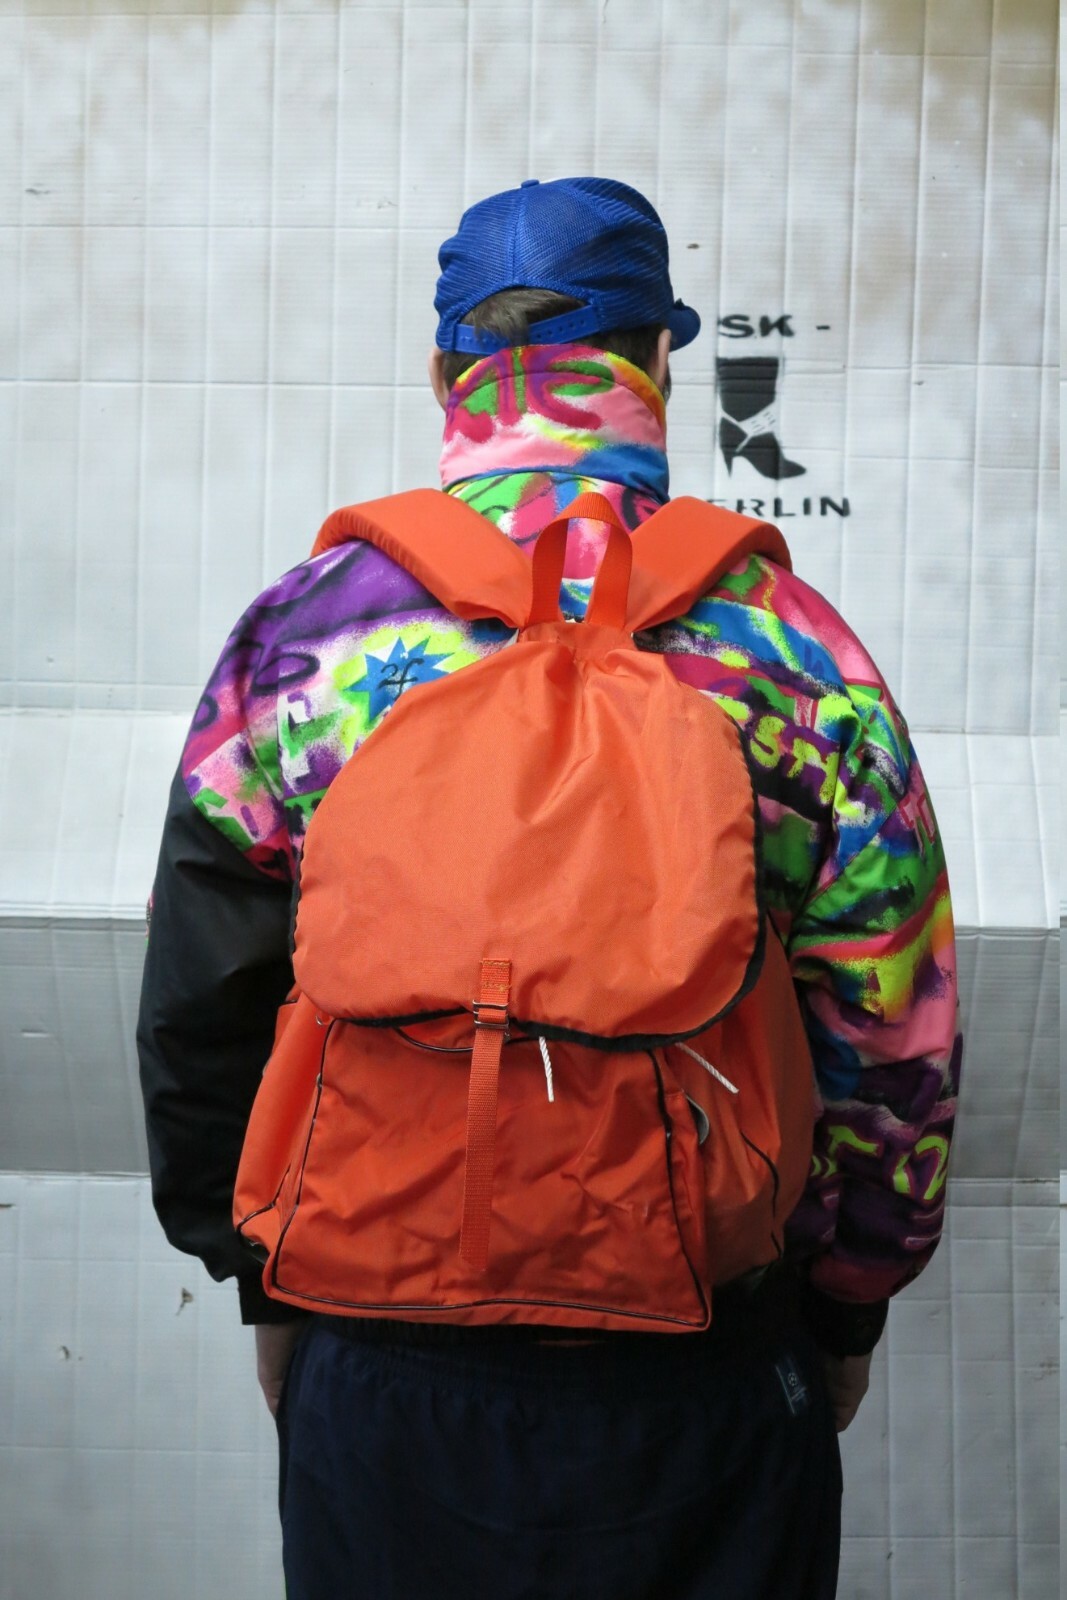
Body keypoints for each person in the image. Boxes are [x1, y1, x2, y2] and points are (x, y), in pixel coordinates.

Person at [137, 176, 961, 1600]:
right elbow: (895, 1035)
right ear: (658, 366)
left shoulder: (301, 639)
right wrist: (845, 1311)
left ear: (445, 374)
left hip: (382, 1361)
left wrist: (264, 1278)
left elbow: (203, 998)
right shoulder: (795, 646)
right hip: (705, 1366)